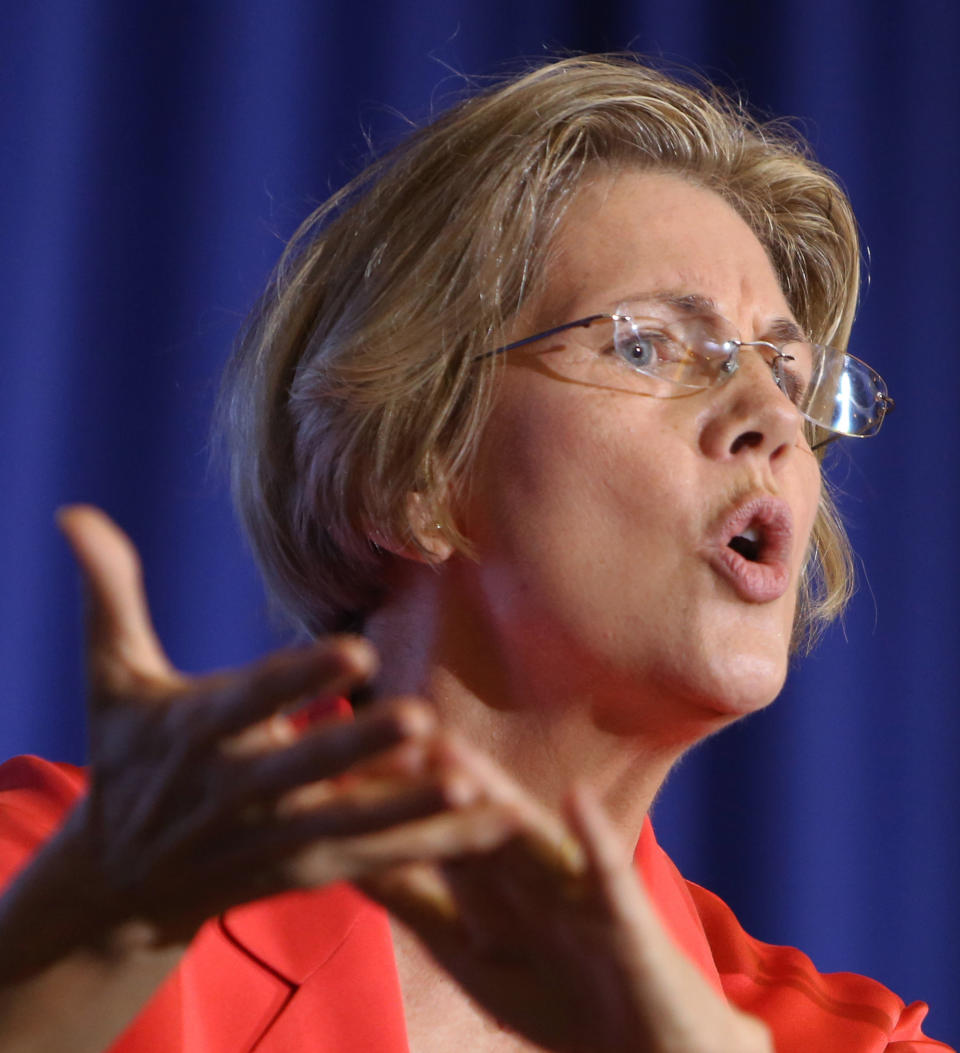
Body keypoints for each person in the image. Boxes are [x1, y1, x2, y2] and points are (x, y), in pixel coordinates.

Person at [0, 54, 949, 1052]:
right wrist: (84, 962)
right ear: (410, 473)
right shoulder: (71, 892)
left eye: (788, 373)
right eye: (648, 346)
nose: (771, 421)